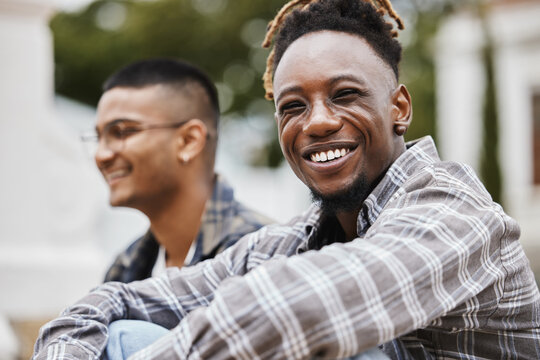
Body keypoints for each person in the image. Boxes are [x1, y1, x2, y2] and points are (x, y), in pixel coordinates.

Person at [34, 1, 540, 359]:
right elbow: (113, 299)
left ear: (399, 108)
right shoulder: (285, 242)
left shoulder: (454, 212)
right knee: (120, 329)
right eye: (292, 107)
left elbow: (300, 309)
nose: (316, 121)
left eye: (345, 94)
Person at [86, 58, 272, 281]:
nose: (101, 155)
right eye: (99, 137)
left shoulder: (261, 254)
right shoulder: (126, 266)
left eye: (122, 132)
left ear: (188, 141)